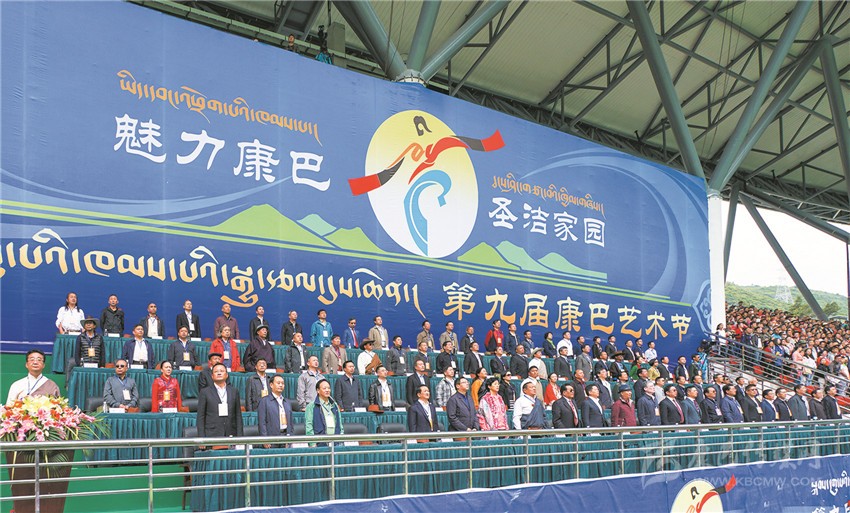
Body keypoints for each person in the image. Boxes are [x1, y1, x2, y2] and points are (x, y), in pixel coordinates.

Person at [197, 363, 243, 447]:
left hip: (231, 434)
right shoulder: (205, 392)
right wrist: (201, 438)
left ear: (227, 375)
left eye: (221, 371)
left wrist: (240, 437)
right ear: (212, 376)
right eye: (216, 371)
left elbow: (238, 416)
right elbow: (200, 416)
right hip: (211, 435)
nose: (219, 373)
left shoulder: (234, 391)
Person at [257, 375, 294, 447]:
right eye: (278, 383)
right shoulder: (264, 401)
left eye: (282, 383)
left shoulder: (287, 402)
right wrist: (264, 439)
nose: (281, 385)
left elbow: (291, 423)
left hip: (286, 438)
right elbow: (262, 422)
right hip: (271, 439)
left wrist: (290, 437)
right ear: (271, 385)